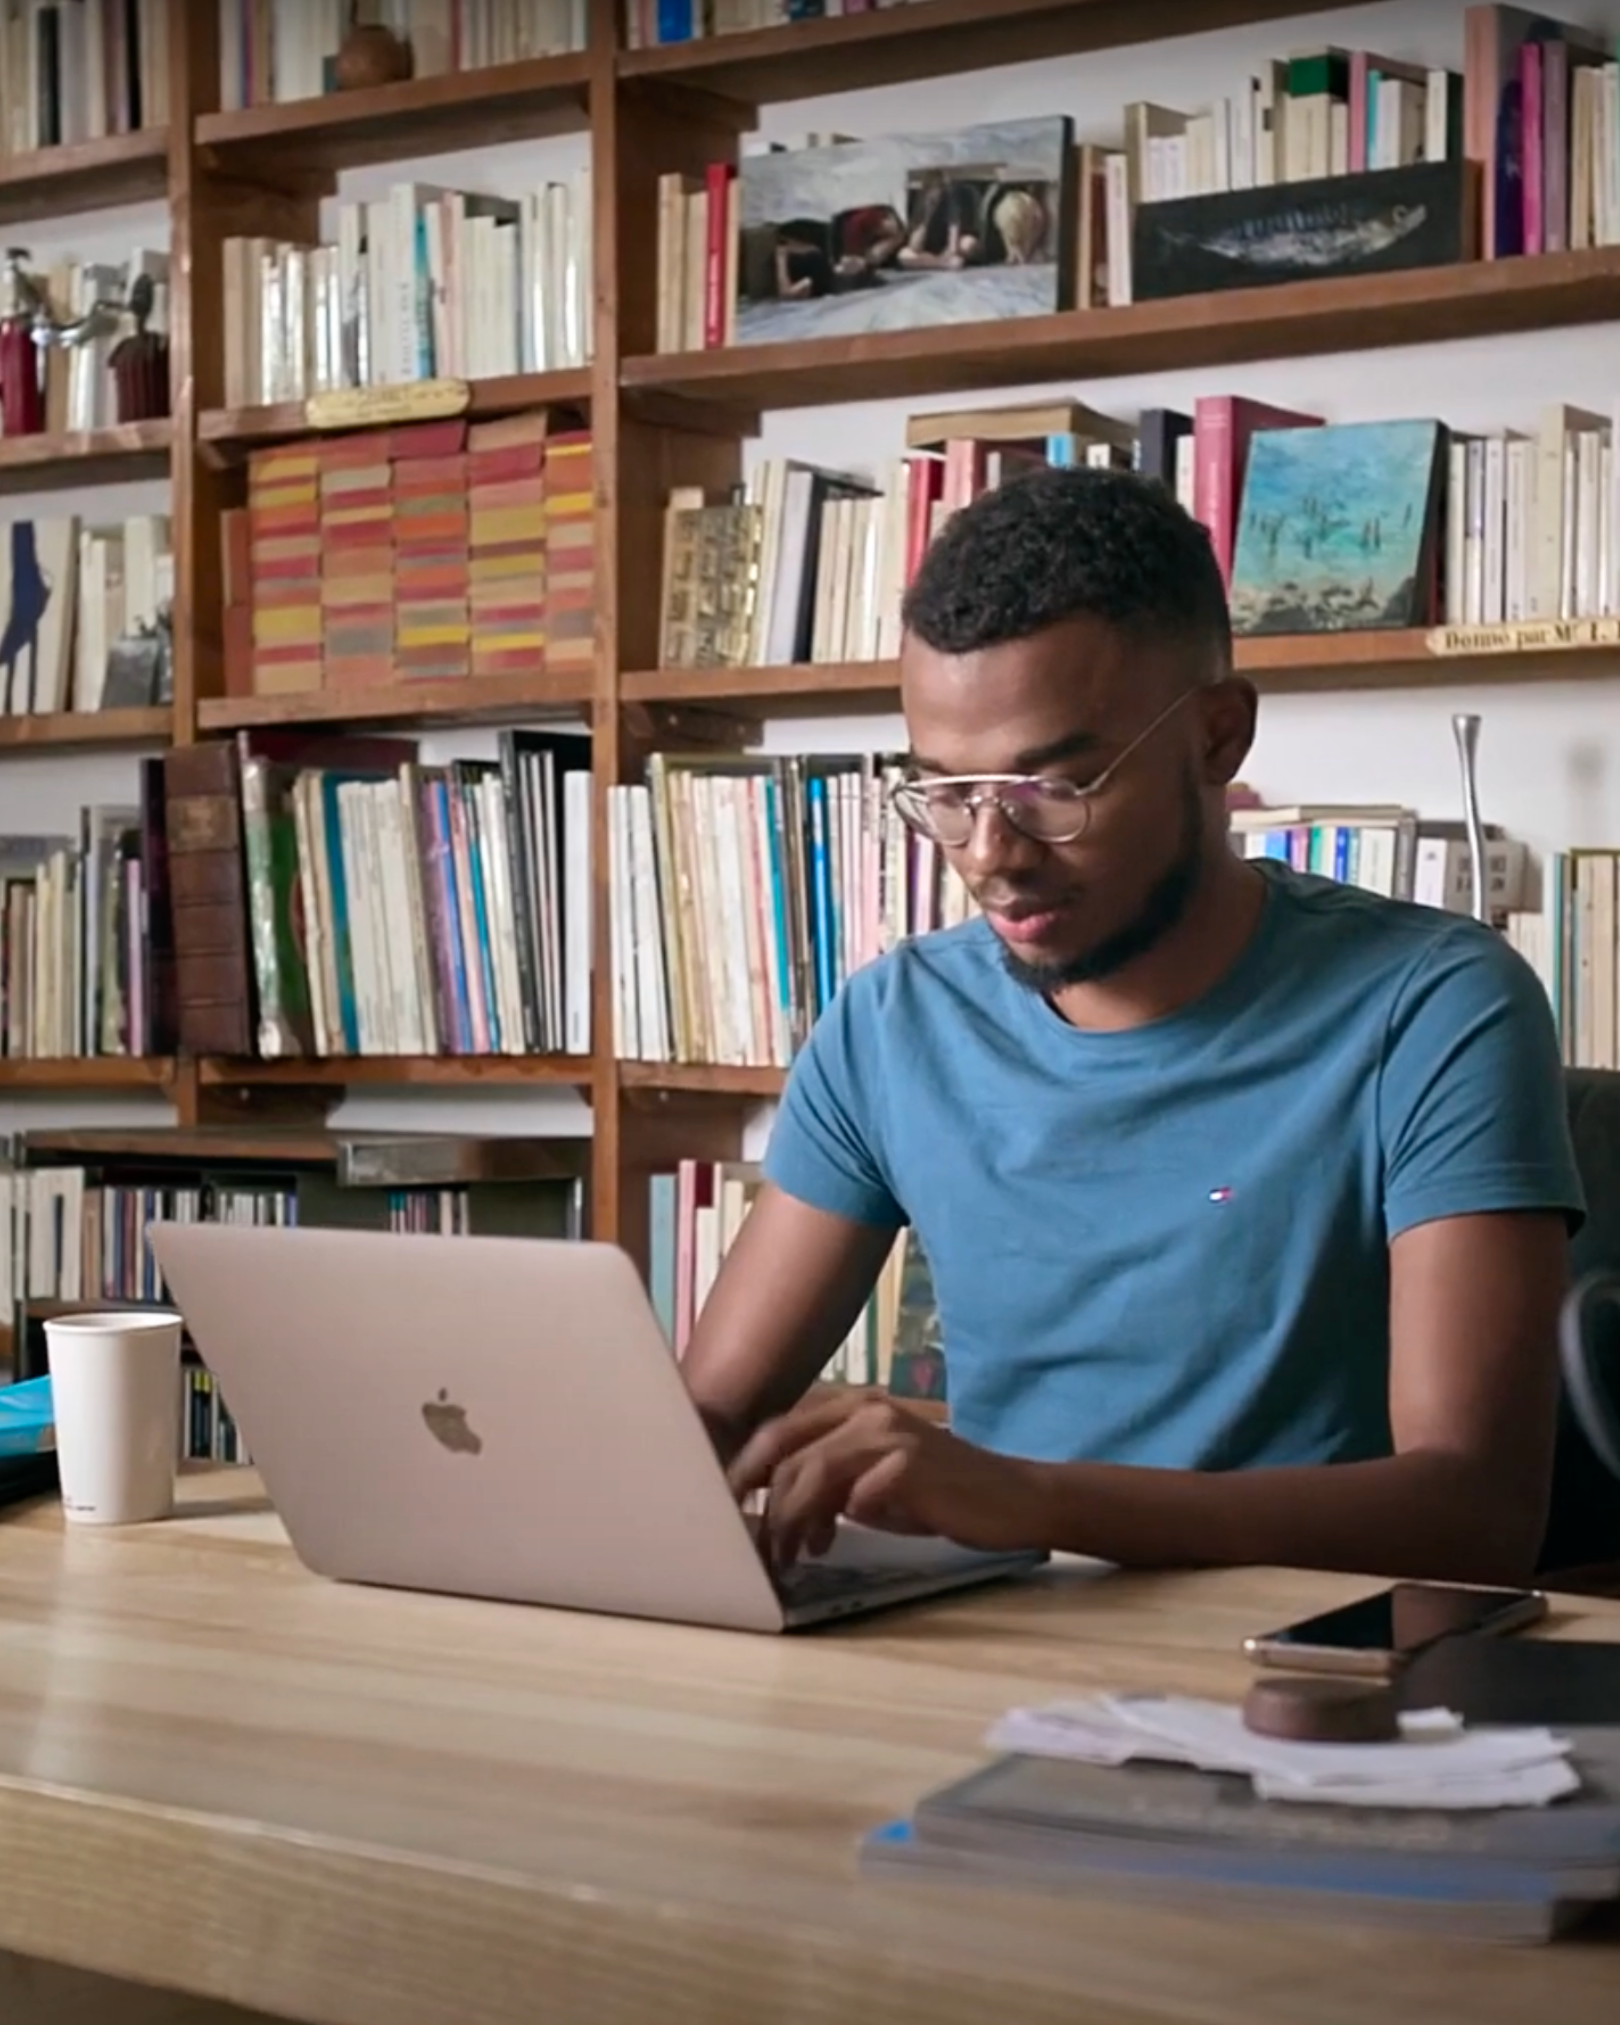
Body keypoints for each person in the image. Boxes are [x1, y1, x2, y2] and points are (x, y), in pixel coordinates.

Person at [681, 464, 1584, 1587]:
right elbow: (707, 1416)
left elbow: (1475, 1512)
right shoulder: (895, 1021)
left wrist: (1027, 1498)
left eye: (1052, 791)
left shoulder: (1435, 1005)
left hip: (1305, 1679)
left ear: (1217, 737)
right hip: (994, 1648)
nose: (990, 856)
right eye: (947, 796)